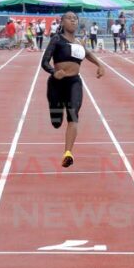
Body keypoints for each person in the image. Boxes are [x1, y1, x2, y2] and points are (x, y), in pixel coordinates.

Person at [41, 11, 106, 168]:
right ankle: (57, 113)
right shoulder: (56, 39)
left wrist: (99, 64)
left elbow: (87, 54)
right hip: (57, 83)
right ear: (62, 22)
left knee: (73, 114)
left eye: (75, 19)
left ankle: (67, 153)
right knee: (57, 122)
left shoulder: (79, 42)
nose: (73, 21)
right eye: (69, 18)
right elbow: (44, 62)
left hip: (74, 82)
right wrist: (54, 73)